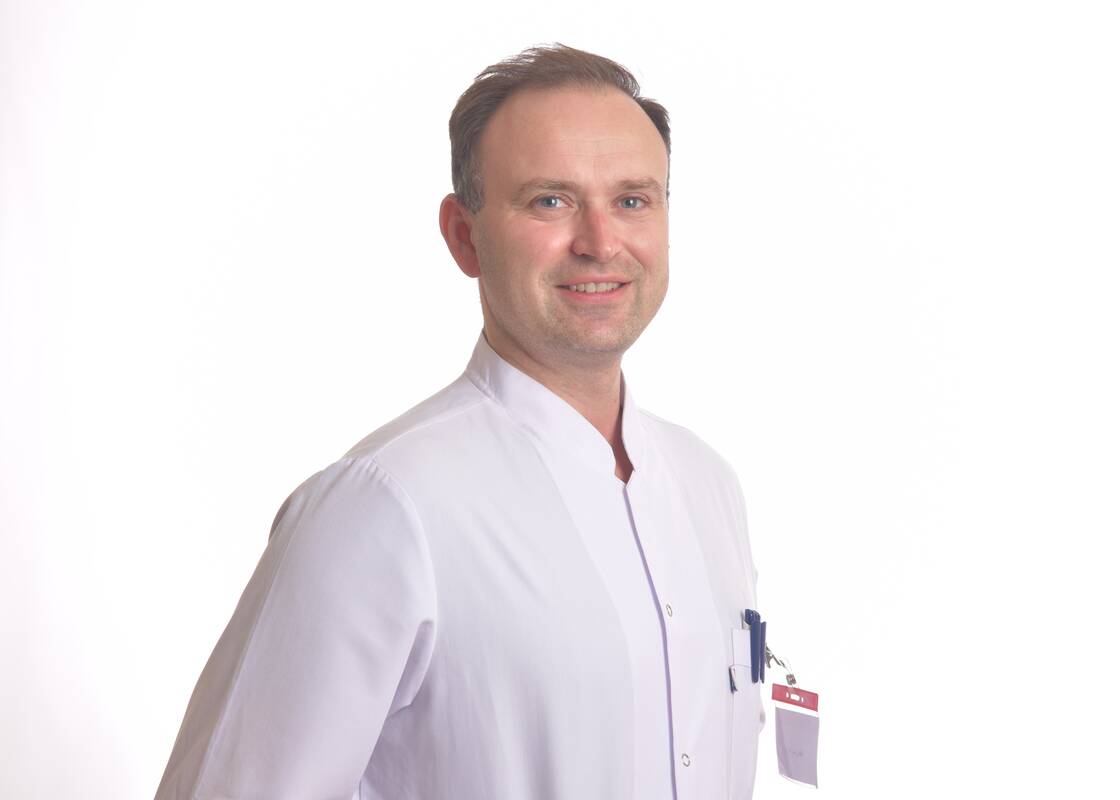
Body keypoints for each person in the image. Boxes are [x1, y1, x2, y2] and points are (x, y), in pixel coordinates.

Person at [155, 43, 764, 800]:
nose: (601, 243)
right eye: (551, 201)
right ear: (464, 236)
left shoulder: (709, 486)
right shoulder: (382, 506)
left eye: (632, 201)